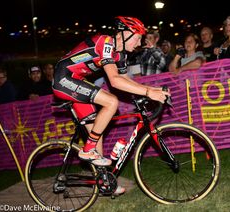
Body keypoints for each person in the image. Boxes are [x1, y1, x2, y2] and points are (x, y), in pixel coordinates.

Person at [52, 16, 170, 194]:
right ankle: (87, 150)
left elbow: (124, 79)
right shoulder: (106, 42)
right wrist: (148, 92)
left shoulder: (120, 53)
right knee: (111, 101)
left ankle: (104, 183)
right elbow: (114, 81)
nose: (138, 44)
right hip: (64, 78)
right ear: (125, 34)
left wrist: (151, 89)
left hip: (76, 80)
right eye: (137, 38)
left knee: (96, 133)